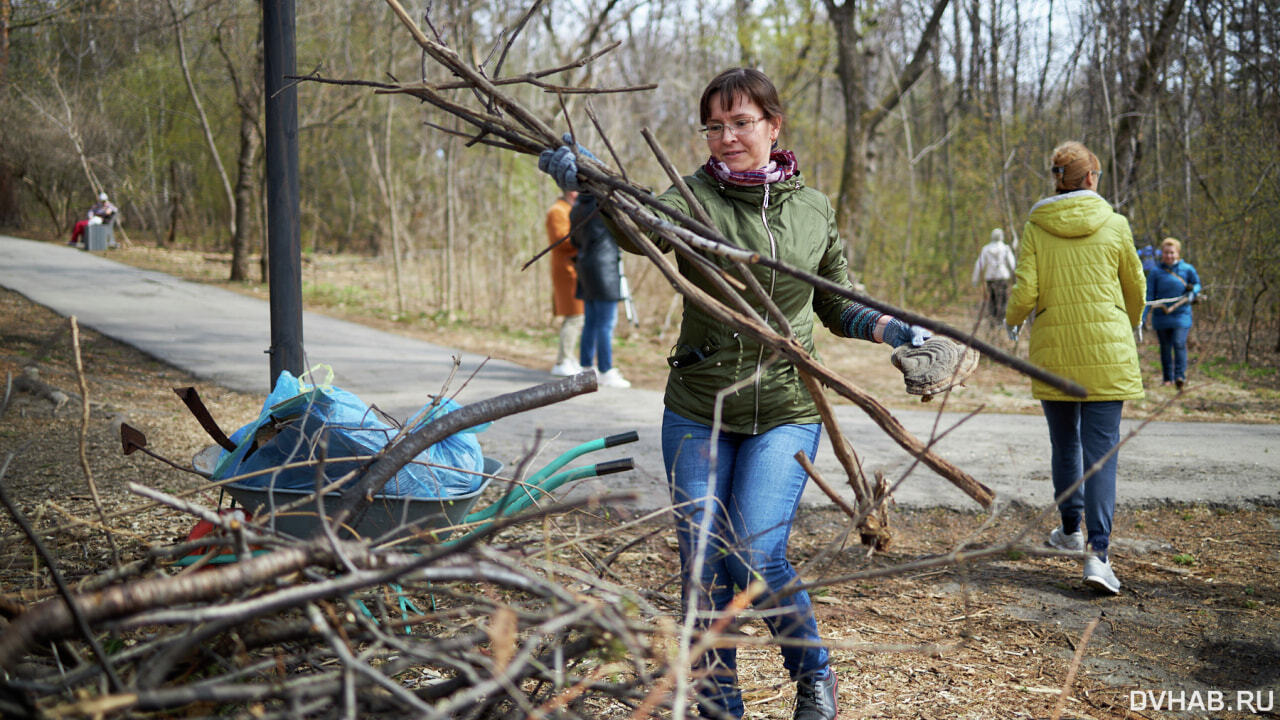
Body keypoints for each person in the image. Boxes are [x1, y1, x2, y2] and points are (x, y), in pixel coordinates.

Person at [540, 67, 939, 720]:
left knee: (753, 552)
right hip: (700, 408)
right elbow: (635, 231)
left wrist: (901, 333)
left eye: (740, 123)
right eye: (714, 126)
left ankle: (813, 676)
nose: (725, 137)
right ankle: (719, 706)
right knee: (701, 566)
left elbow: (837, 302)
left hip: (785, 408)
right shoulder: (689, 198)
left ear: (773, 125)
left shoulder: (810, 209)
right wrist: (586, 186)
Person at [1005, 141, 1145, 597]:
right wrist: (1135, 320)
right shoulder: (1116, 224)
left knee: (1065, 444)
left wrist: (1011, 321)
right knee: (1100, 452)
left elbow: (1026, 292)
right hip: (1108, 353)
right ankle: (1097, 555)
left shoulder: (1036, 226)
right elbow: (1134, 285)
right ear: (1090, 178)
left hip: (1055, 355)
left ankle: (1068, 528)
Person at [569, 190, 630, 389]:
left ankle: (586, 367)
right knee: (606, 323)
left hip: (585, 266)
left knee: (591, 321)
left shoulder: (577, 207)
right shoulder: (603, 204)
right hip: (604, 269)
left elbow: (574, 241)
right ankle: (605, 370)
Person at [1145, 237, 1201, 389]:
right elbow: (1149, 295)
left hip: (1181, 314)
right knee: (1165, 347)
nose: (1169, 256)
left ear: (1178, 253)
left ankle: (1179, 376)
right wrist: (1142, 317)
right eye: (1166, 252)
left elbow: (1197, 284)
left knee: (1179, 343)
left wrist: (1192, 293)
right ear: (1161, 253)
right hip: (1161, 315)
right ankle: (1167, 378)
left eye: (1172, 252)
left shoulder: (1187, 269)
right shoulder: (1156, 272)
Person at [545, 189, 585, 376]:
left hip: (576, 269)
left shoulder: (569, 209)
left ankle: (569, 358)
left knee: (578, 317)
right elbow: (562, 239)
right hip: (566, 270)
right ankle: (562, 360)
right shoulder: (557, 211)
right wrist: (586, 234)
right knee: (574, 316)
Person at [971, 227, 1017, 325]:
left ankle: (993, 321)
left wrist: (975, 279)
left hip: (991, 278)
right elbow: (1012, 264)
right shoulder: (1005, 248)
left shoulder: (986, 249)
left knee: (992, 300)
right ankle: (1001, 321)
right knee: (1003, 300)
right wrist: (1017, 277)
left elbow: (979, 264)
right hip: (1002, 277)